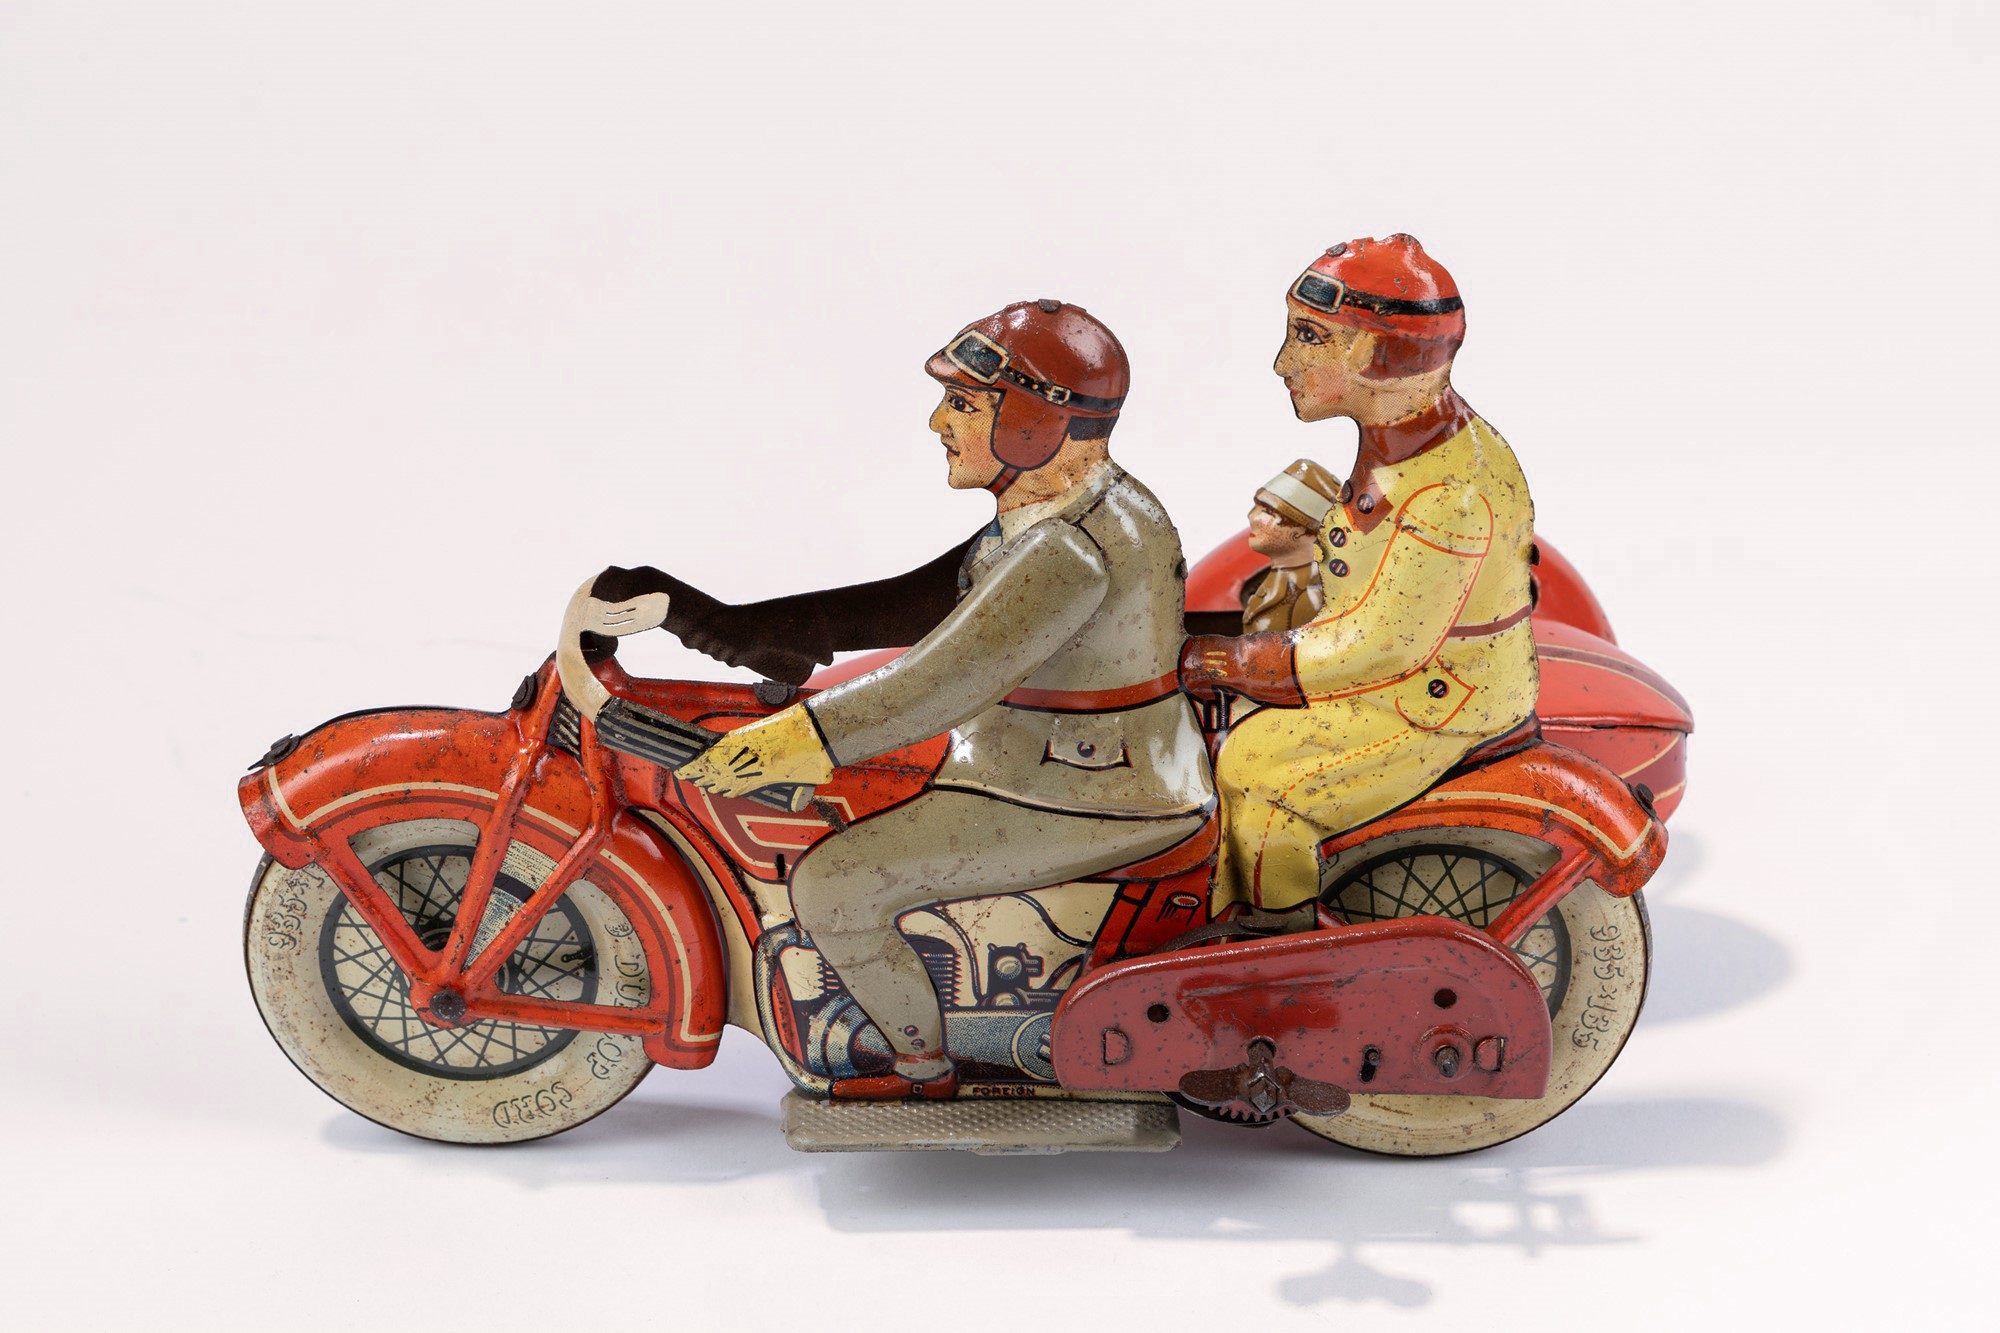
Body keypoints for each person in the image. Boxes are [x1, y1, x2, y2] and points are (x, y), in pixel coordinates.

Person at [608, 300, 1214, 1099]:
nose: (939, 422)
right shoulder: (1071, 507)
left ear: (1031, 421)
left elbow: (944, 677)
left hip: (1082, 789)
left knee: (834, 884)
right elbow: (926, 598)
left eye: (964, 403)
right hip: (1070, 763)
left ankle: (920, 1069)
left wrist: (800, 737)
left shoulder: (1065, 550)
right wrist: (724, 622)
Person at [1181, 235, 1538, 915]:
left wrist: (1238, 661)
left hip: (1431, 702)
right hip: (1395, 679)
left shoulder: (1451, 495)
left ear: (1375, 354)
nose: (1283, 362)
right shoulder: (1403, 444)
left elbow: (1385, 644)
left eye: (1309, 337)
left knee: (1252, 772)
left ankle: (1276, 941)